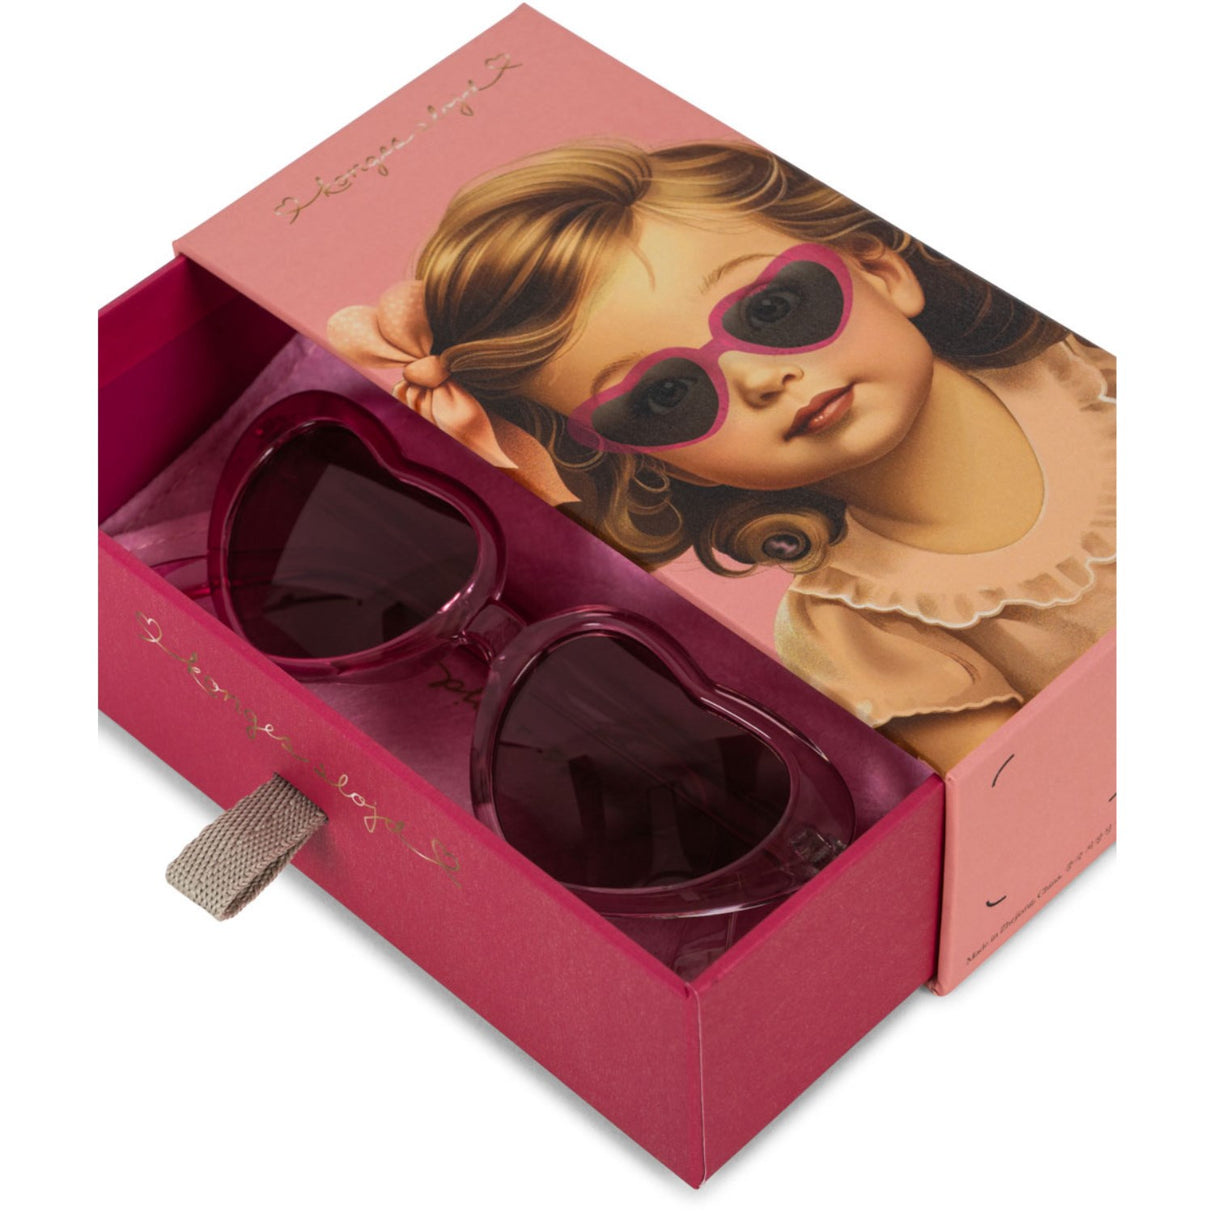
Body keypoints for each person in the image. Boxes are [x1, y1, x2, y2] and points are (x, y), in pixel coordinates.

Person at [328, 140, 1115, 771]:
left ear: (880, 270)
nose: (758, 378)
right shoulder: (858, 634)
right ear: (656, 461)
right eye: (667, 395)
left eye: (772, 309)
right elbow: (1037, 795)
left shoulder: (1099, 364)